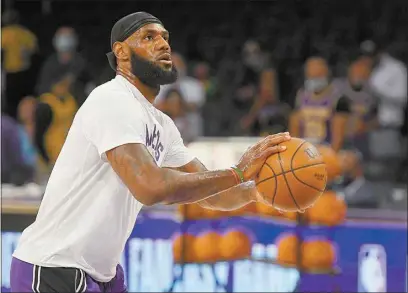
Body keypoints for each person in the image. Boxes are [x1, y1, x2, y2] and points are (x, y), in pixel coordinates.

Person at [10, 12, 291, 292]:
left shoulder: (162, 125)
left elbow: (216, 192)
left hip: (101, 272)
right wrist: (238, 171)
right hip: (53, 265)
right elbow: (150, 187)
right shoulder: (111, 100)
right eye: (149, 37)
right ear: (120, 51)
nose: (163, 44)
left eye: (165, 37)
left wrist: (262, 190)